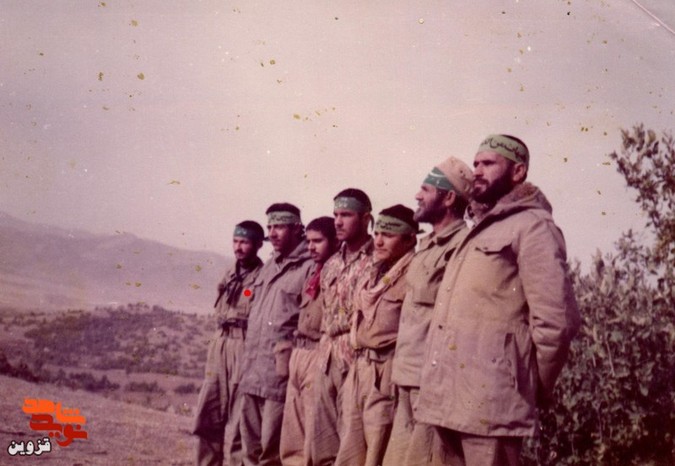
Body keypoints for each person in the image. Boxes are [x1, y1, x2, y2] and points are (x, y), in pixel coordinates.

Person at [416, 134, 581, 465]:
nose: (477, 171)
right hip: (447, 402)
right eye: (475, 163)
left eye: (489, 163)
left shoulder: (534, 226)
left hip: (492, 407)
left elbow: (555, 323)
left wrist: (531, 387)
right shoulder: (480, 229)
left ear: (518, 172)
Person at [383, 157, 474, 466]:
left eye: (426, 190)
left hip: (431, 385)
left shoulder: (461, 247)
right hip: (406, 378)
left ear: (448, 198)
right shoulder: (427, 247)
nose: (417, 196)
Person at [335, 204, 419, 466]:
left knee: (377, 452)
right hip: (360, 367)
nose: (379, 241)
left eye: (389, 235)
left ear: (409, 239)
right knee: (349, 451)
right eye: (377, 233)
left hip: (387, 372)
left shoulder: (415, 275)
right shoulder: (374, 271)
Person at [238, 203, 314, 466]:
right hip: (252, 370)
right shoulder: (269, 265)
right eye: (269, 227)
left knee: (271, 453)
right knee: (249, 450)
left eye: (279, 227)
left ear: (296, 228)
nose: (272, 233)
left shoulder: (309, 267)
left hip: (278, 376)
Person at [310, 188, 374, 466]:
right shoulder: (332, 263)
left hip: (356, 357)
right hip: (326, 356)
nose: (337, 221)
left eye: (346, 215)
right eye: (335, 214)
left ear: (365, 219)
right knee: (322, 441)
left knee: (351, 442)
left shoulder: (378, 261)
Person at [193, 221, 265, 466]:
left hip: (244, 345)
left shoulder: (263, 278)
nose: (238, 247)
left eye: (245, 242)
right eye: (235, 241)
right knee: (207, 414)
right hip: (220, 344)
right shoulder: (229, 274)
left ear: (258, 244)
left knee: (239, 423)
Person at [280, 217, 339, 466]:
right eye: (308, 241)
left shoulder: (337, 273)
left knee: (313, 438)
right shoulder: (313, 273)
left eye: (318, 241)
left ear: (334, 242)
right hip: (299, 353)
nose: (311, 247)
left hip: (318, 354)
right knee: (292, 436)